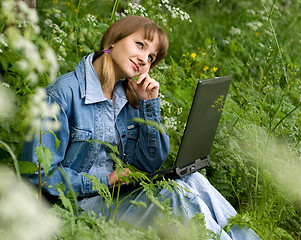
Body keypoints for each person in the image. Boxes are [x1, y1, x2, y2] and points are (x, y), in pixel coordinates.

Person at [21, 15, 259, 239]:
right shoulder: (63, 94)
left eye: (152, 57)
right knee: (174, 196)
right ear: (113, 40)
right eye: (140, 45)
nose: (145, 59)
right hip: (77, 207)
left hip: (116, 198)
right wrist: (107, 179)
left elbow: (149, 165)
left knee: (194, 181)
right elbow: (38, 175)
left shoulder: (127, 96)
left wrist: (148, 104)